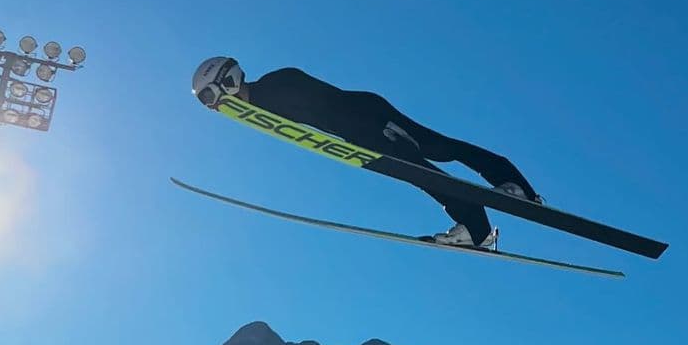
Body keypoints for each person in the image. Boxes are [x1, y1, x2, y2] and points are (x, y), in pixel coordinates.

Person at [192, 57, 543, 248]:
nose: (213, 108)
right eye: (205, 103)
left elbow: (325, 106)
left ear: (229, 82)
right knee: (423, 168)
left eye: (211, 97)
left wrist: (379, 133)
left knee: (433, 153)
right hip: (361, 131)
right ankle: (477, 225)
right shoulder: (265, 109)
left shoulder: (277, 86)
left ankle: (510, 187)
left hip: (368, 120)